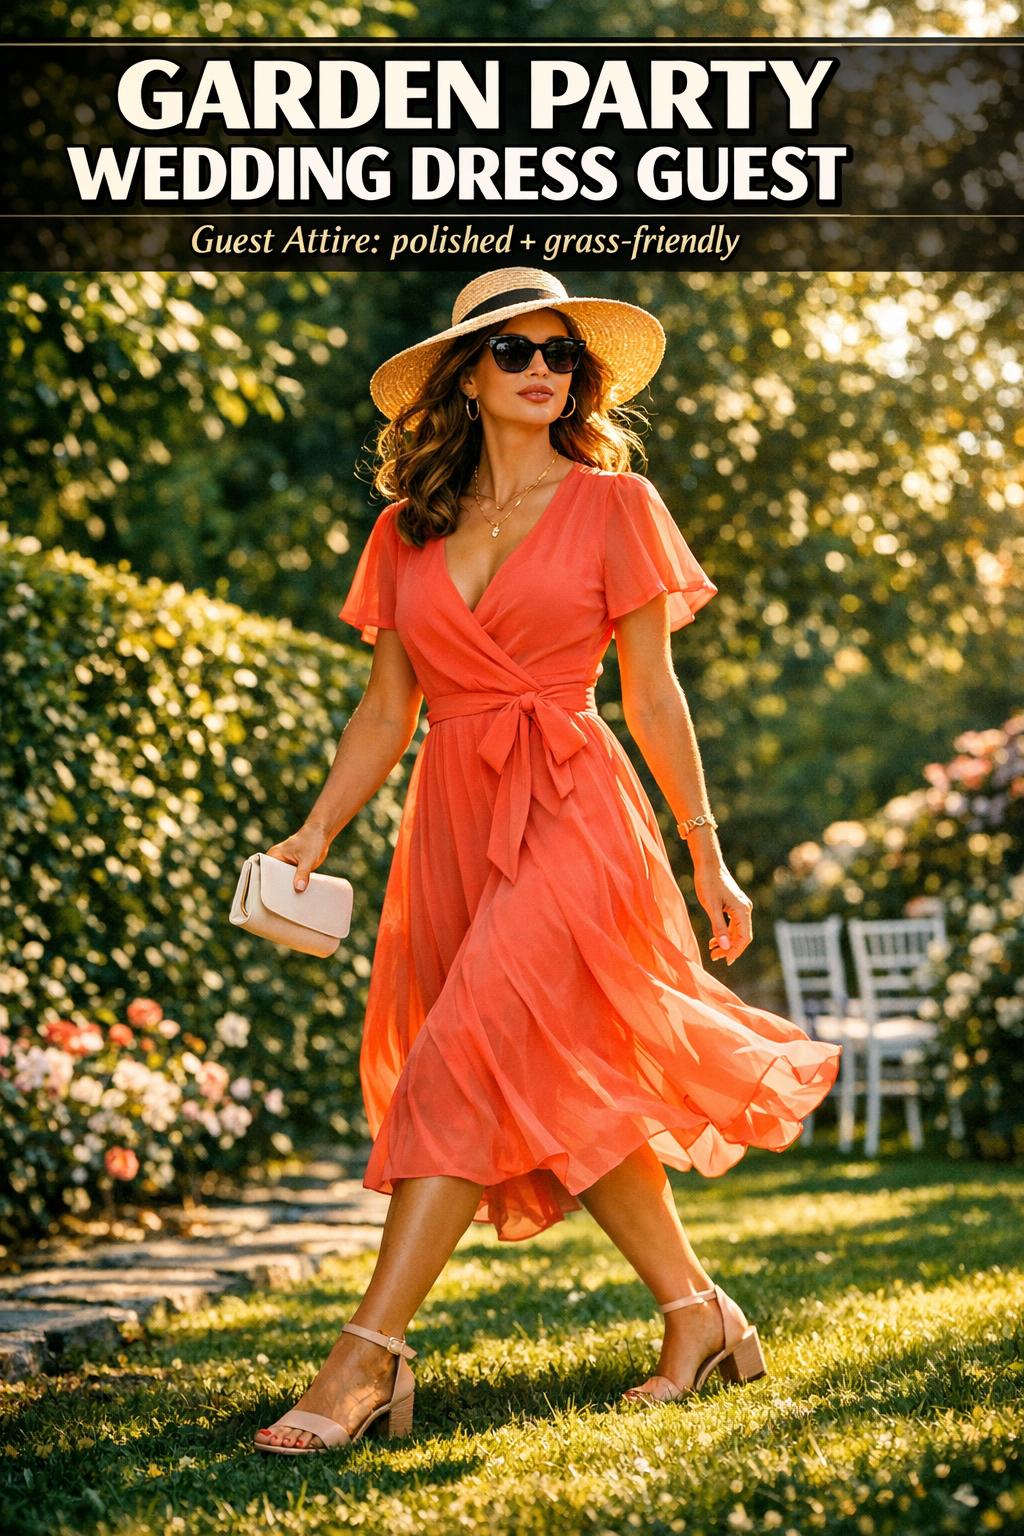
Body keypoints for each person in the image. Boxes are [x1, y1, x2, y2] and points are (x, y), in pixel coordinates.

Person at [253, 266, 842, 1455]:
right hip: (453, 812)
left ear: (579, 379)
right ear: (466, 377)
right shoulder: (404, 528)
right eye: (511, 350)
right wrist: (317, 830)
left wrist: (706, 854)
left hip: (574, 801)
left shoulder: (615, 503)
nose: (538, 369)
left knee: (465, 1054)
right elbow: (385, 711)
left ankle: (364, 1359)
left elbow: (653, 692)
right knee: (562, 1080)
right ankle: (700, 1313)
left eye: (558, 353)